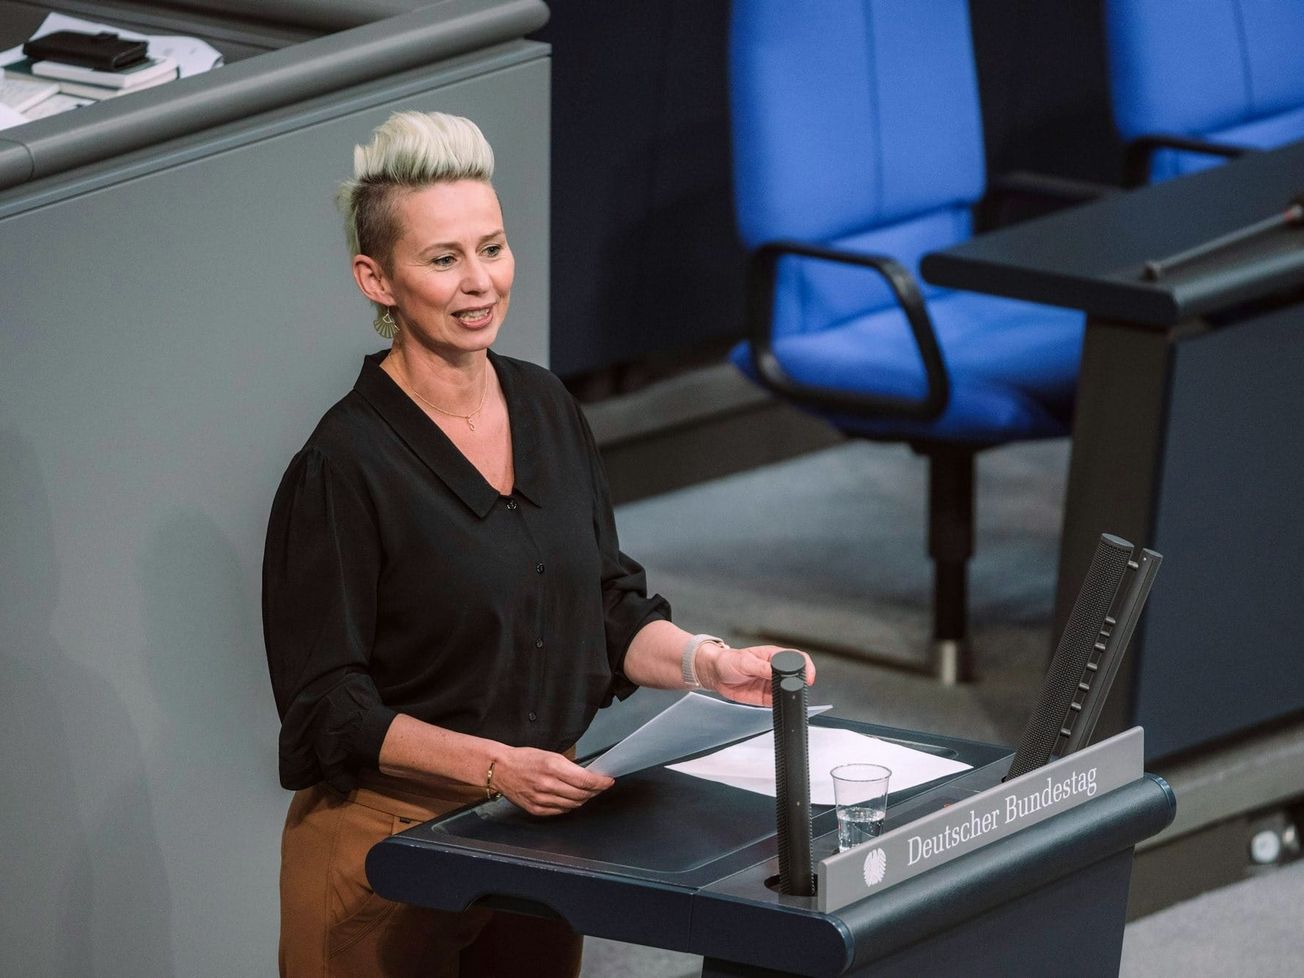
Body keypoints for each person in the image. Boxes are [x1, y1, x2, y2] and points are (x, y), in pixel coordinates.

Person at [262, 111, 815, 978]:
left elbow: (605, 607)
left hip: (538, 834)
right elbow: (327, 705)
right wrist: (495, 768)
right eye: (443, 259)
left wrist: (711, 664)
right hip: (391, 853)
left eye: (493, 247)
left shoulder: (548, 406)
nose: (479, 282)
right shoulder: (342, 464)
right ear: (377, 279)